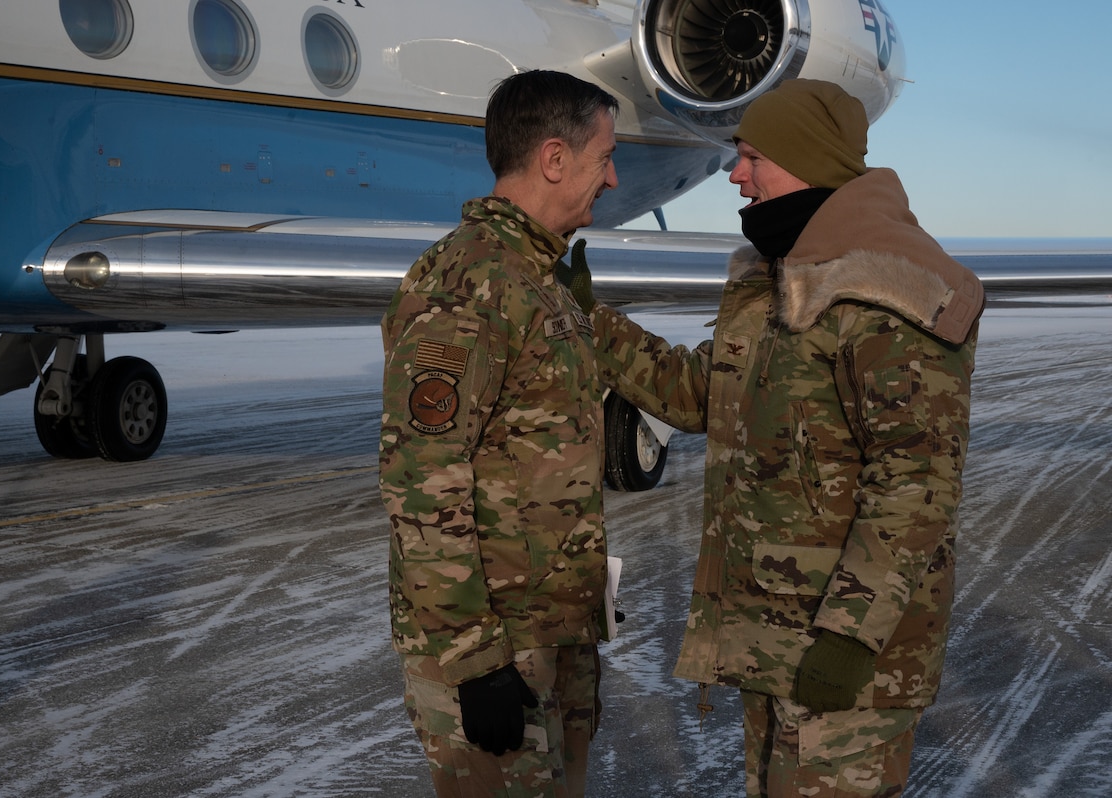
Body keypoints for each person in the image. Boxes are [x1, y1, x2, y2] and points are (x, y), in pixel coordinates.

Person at [558, 79, 984, 797]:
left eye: (752, 156)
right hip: (778, 637)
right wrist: (591, 321)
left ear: (808, 161)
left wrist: (850, 635)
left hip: (847, 655)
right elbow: (704, 394)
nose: (736, 174)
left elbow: (914, 484)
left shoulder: (892, 288)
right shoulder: (782, 275)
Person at [378, 69, 619, 798]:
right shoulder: (471, 283)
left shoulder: (539, 278)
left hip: (551, 636)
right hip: (496, 648)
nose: (611, 180)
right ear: (554, 158)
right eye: (604, 157)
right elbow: (422, 478)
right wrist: (476, 660)